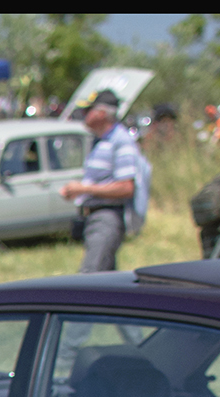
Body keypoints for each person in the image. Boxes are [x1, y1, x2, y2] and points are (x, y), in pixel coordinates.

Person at [60, 89, 140, 273]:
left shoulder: (120, 141)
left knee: (89, 278)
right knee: (107, 283)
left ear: (102, 113)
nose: (83, 115)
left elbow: (126, 187)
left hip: (107, 217)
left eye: (88, 110)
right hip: (93, 217)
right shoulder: (100, 141)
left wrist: (83, 189)